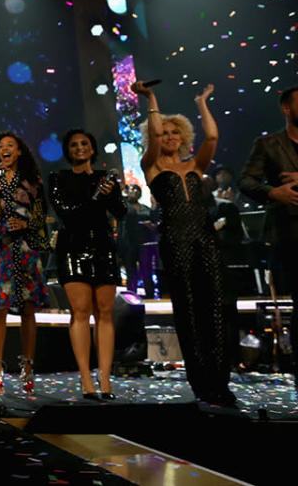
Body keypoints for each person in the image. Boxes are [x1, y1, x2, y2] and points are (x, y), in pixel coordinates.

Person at [132, 80, 235, 406]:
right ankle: (202, 383)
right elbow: (152, 132)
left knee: (216, 308)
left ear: (183, 137)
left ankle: (221, 382)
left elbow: (214, 137)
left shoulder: (195, 165)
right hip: (175, 240)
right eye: (164, 133)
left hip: (205, 238)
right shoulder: (151, 166)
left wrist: (202, 101)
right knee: (188, 311)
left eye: (175, 132)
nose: (170, 137)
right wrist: (150, 97)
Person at [48, 129, 125, 400]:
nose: (80, 148)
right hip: (73, 247)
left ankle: (105, 380)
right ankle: (85, 379)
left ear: (93, 148)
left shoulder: (106, 180)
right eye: (74, 145)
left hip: (103, 247)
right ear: (68, 151)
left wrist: (111, 194)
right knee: (80, 311)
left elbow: (121, 212)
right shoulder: (58, 178)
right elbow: (68, 214)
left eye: (84, 143)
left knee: (105, 312)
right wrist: (96, 198)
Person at [0, 131, 49, 395]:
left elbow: (42, 217)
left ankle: (28, 367)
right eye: (0, 147)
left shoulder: (32, 180)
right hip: (0, 248)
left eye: (10, 146)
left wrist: (26, 223)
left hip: (26, 248)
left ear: (19, 151)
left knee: (28, 309)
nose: (4, 150)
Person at [240, 84, 298, 386]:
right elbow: (246, 181)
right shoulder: (269, 144)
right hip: (291, 234)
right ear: (285, 108)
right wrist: (273, 192)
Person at [117, 184, 153, 292]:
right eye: (133, 189)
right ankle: (132, 296)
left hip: (144, 243)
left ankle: (150, 295)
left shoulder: (145, 208)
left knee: (147, 271)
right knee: (131, 271)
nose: (136, 191)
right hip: (129, 243)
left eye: (138, 190)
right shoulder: (124, 207)